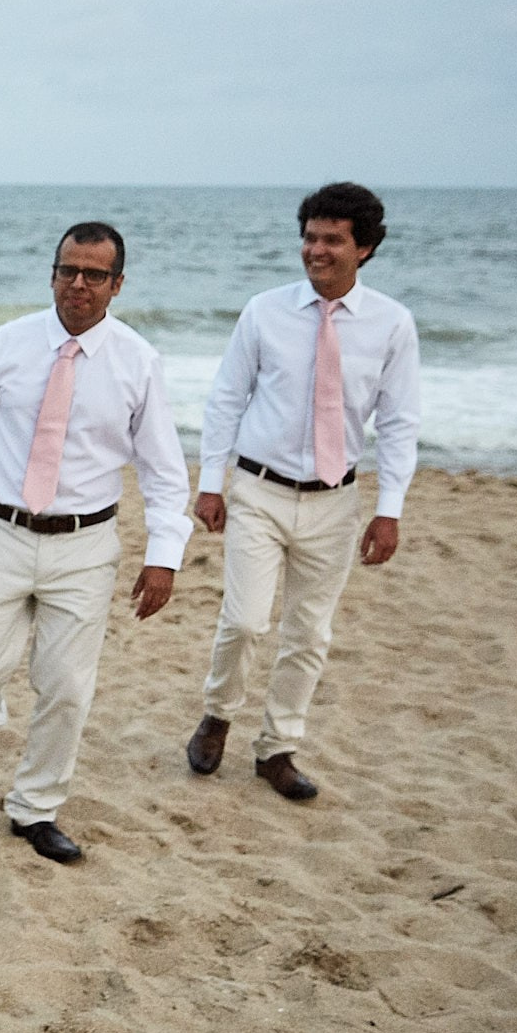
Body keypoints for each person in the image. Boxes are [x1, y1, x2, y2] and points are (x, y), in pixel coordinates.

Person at [0, 222, 191, 863]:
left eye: (95, 275)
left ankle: (35, 809)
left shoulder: (136, 361)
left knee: (66, 686)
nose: (79, 284)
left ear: (117, 285)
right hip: (2, 532)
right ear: (53, 273)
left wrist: (163, 555)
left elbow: (162, 469)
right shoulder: (8, 344)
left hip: (85, 545)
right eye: (68, 270)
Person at [186, 183, 419, 800]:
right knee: (243, 620)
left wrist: (388, 511)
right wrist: (211, 484)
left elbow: (397, 424)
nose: (316, 250)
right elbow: (226, 400)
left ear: (363, 248)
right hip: (258, 489)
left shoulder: (392, 325)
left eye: (332, 240)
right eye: (310, 237)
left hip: (335, 501)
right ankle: (218, 714)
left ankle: (277, 749)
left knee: (310, 634)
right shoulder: (264, 311)